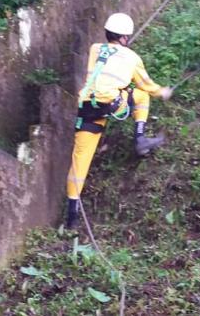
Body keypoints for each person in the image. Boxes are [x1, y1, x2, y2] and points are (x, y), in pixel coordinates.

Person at [64, 12, 173, 230]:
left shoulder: (95, 49)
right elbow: (146, 85)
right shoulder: (132, 58)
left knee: (80, 160)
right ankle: (140, 138)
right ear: (124, 37)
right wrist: (163, 92)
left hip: (87, 106)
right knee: (141, 96)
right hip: (111, 103)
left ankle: (71, 218)